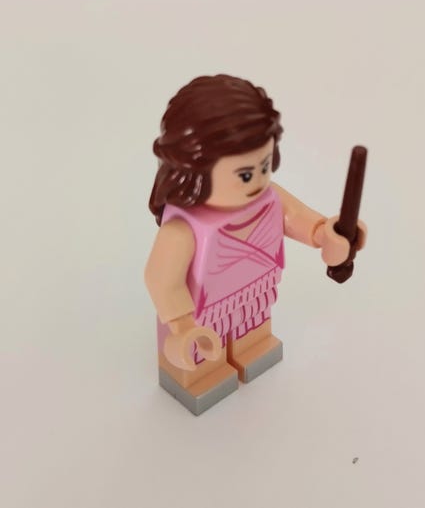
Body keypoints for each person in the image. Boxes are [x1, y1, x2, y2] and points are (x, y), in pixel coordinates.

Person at [145, 74, 366, 414]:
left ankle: (252, 349)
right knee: (202, 356)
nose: (260, 181)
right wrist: (183, 326)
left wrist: (329, 234)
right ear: (194, 169)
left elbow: (300, 219)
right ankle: (200, 376)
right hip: (204, 310)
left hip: (255, 291)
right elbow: (161, 280)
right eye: (245, 175)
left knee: (253, 329)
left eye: (264, 166)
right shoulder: (183, 229)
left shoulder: (269, 199)